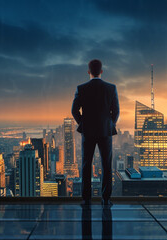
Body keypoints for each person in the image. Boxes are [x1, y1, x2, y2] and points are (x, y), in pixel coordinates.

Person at [71, 59, 120, 207]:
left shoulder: (81, 88)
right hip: (105, 132)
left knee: (86, 165)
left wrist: (83, 123)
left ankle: (86, 199)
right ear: (101, 71)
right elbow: (116, 111)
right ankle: (106, 199)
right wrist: (110, 124)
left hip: (88, 132)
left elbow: (74, 111)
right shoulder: (111, 88)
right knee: (106, 165)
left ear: (88, 72)